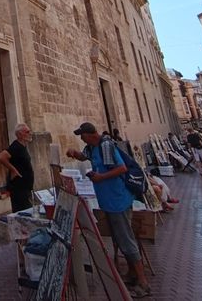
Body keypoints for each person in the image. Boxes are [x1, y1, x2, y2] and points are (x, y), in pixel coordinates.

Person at [66, 122, 151, 298]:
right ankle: (132, 274)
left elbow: (121, 168)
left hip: (118, 200)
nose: (81, 138)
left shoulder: (105, 145)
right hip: (109, 202)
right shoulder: (92, 147)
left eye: (82, 135)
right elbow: (85, 157)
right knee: (120, 239)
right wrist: (75, 154)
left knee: (126, 239)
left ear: (90, 134)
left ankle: (143, 283)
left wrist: (100, 177)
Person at [0, 124, 34, 213]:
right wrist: (13, 170)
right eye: (27, 132)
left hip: (25, 189)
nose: (30, 134)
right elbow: (1, 157)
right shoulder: (16, 146)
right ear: (20, 134)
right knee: (23, 214)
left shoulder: (22, 146)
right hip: (19, 189)